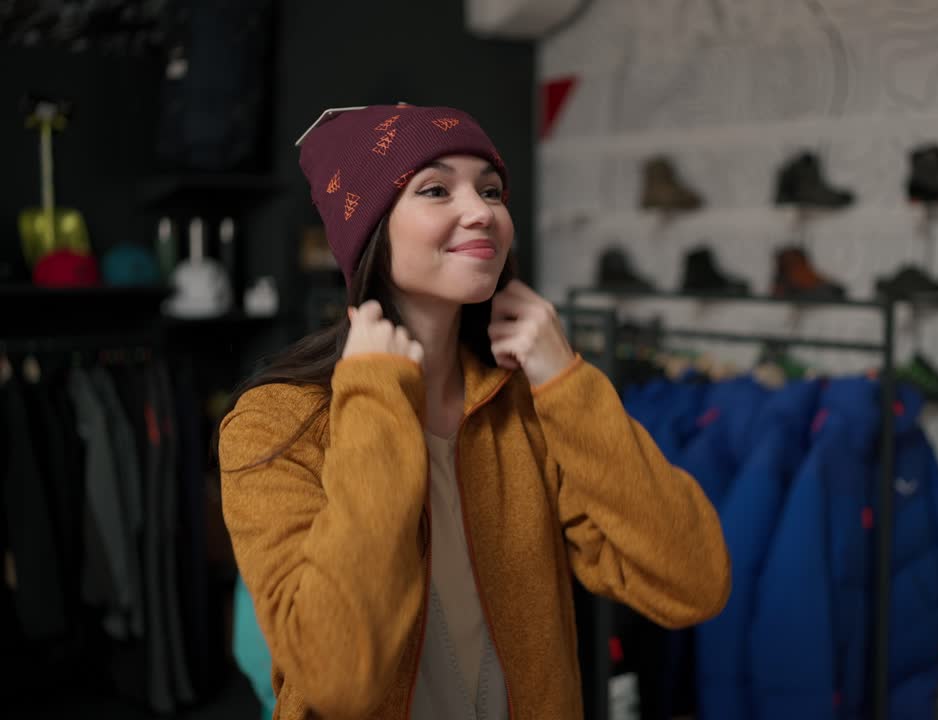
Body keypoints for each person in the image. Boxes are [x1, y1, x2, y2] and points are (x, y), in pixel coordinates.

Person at [216, 103, 731, 720]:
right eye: (435, 189)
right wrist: (377, 393)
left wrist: (566, 381)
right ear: (369, 230)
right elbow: (337, 675)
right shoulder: (276, 422)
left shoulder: (529, 404)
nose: (482, 211)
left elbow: (693, 582)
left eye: (491, 190)